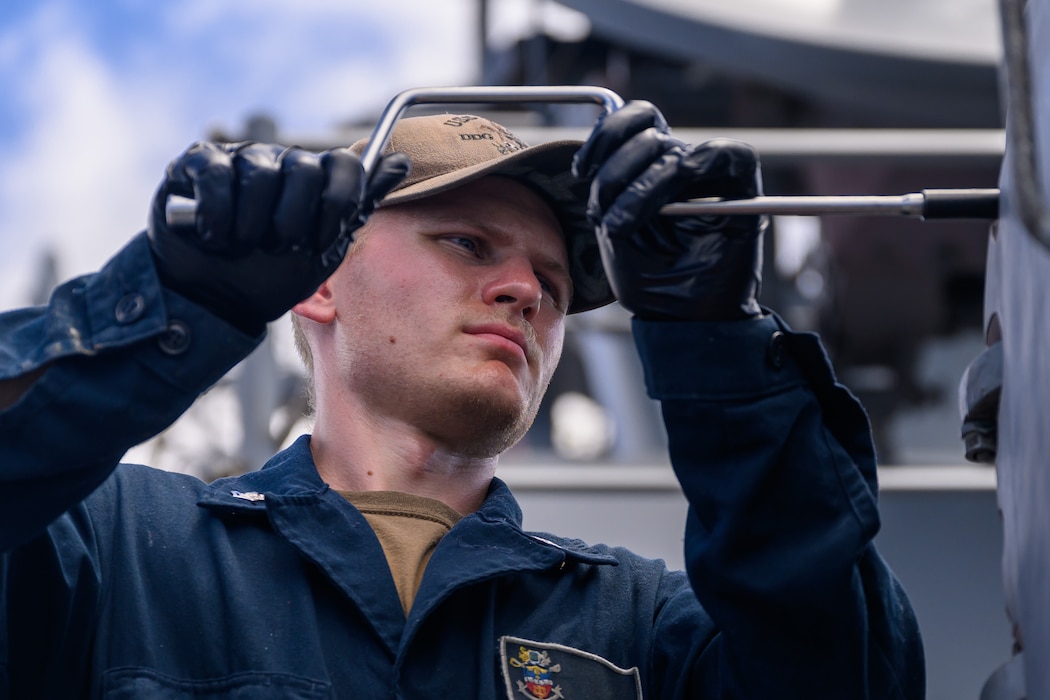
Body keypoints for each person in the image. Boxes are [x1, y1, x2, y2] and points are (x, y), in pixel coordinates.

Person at [0, 101, 924, 698]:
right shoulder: (115, 549)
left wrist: (720, 344)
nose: (527, 290)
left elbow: (847, 678)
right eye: (467, 245)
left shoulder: (641, 626)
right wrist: (173, 305)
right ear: (319, 284)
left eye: (557, 284)